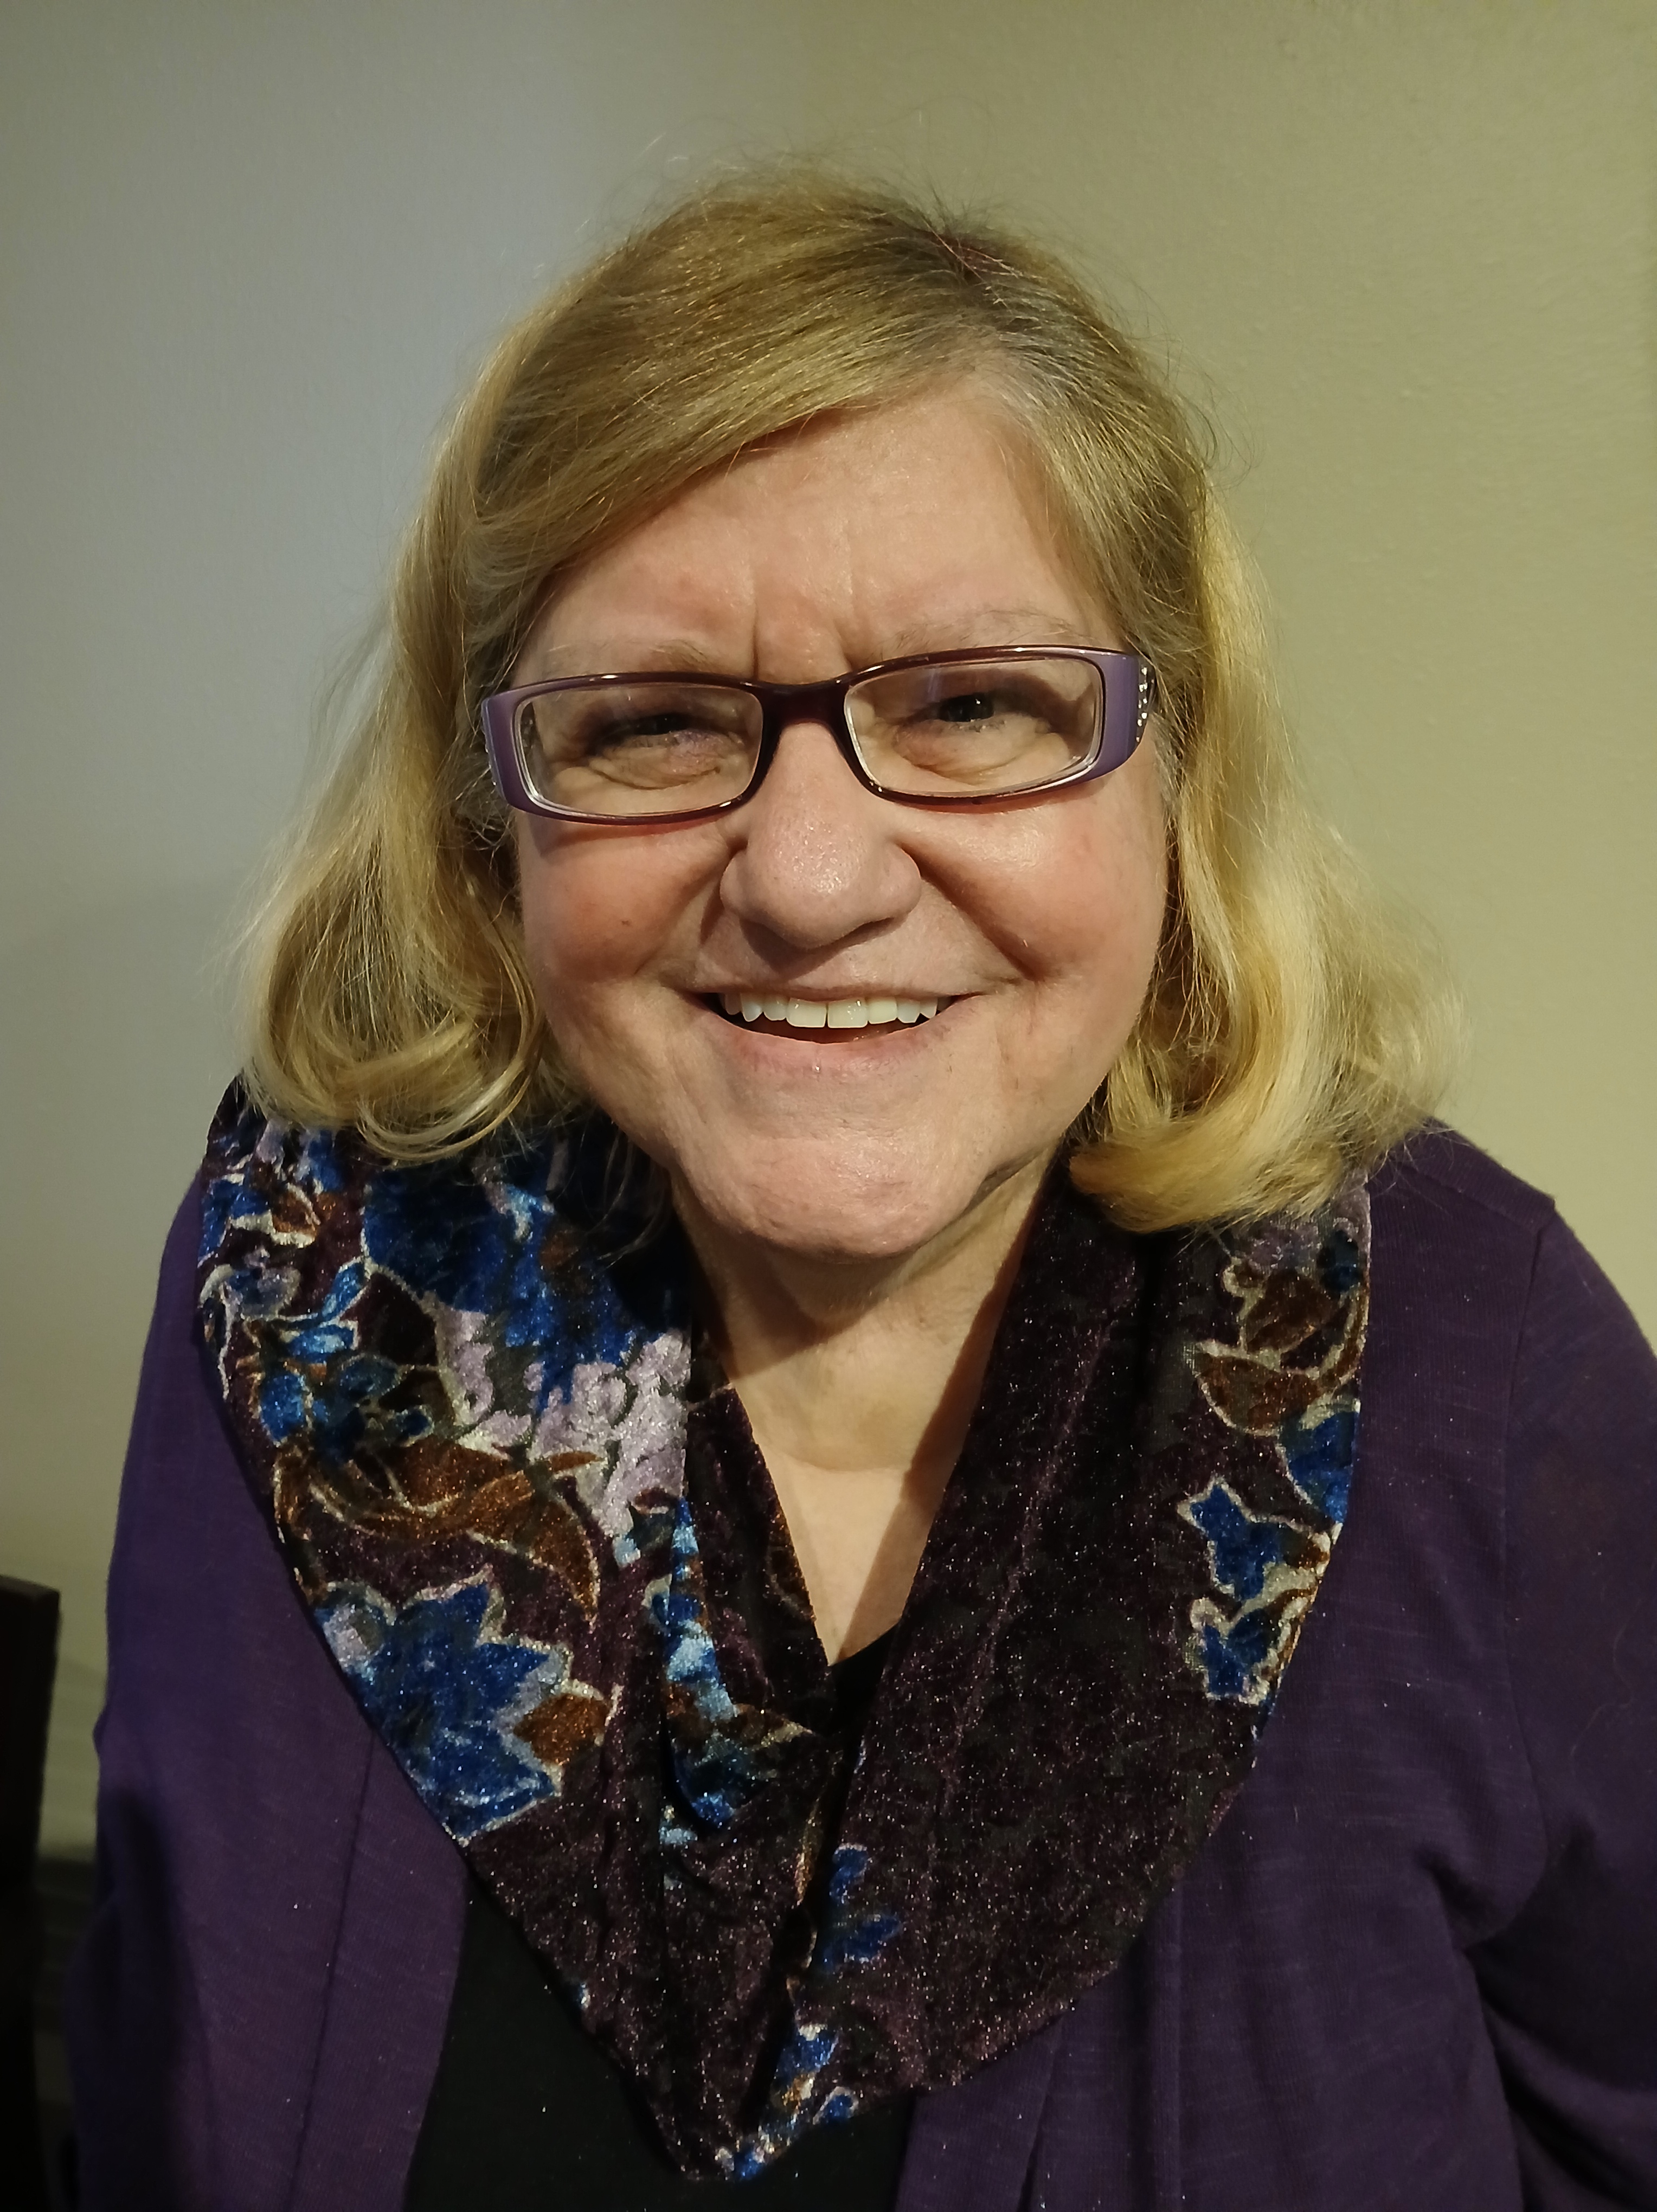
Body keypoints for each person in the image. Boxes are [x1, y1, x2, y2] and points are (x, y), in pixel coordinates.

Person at [67, 175, 1656, 2211]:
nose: (811, 882)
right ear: (488, 827)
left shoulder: (1476, 1375)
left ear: (1176, 772)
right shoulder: (304, 1307)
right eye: (651, 724)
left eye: (975, 704)